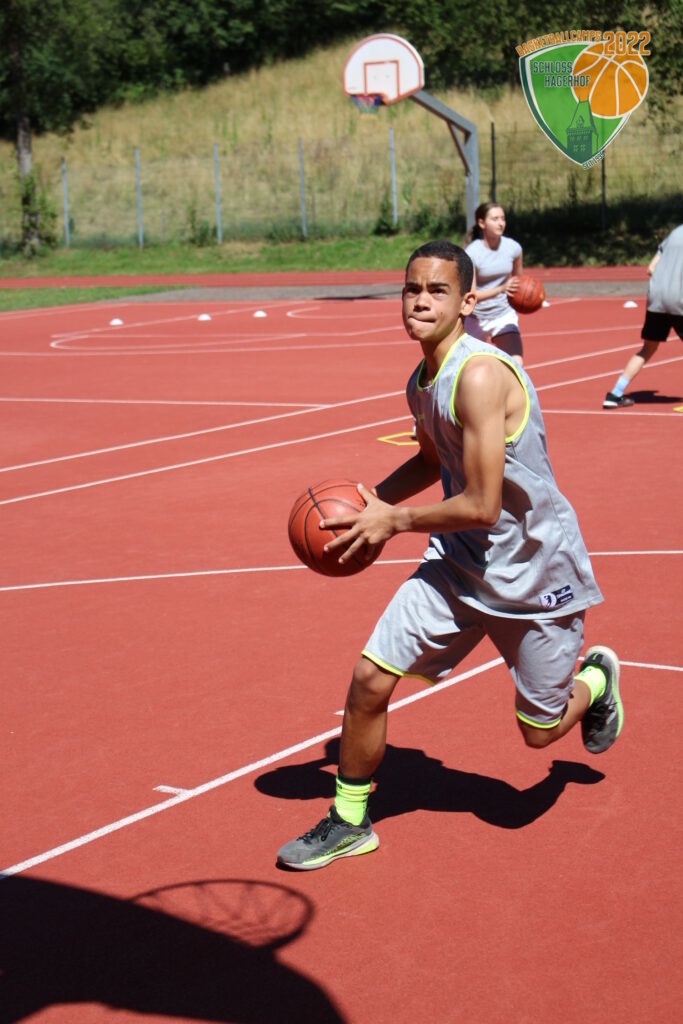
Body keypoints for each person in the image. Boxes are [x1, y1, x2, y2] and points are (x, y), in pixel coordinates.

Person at [277, 239, 623, 872]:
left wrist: (393, 520)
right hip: (459, 565)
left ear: (466, 302)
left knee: (538, 735)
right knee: (369, 681)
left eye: (437, 290)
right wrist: (371, 504)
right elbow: (432, 460)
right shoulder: (422, 382)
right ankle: (349, 821)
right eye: (412, 289)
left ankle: (596, 680)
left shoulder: (480, 375)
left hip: (534, 572)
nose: (420, 301)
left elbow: (484, 504)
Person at [603, 224, 683, 408]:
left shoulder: (674, 234)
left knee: (647, 349)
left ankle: (615, 394)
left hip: (657, 297)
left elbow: (651, 268)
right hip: (678, 298)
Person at [464, 202, 525, 365]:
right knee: (468, 369)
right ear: (482, 223)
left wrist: (529, 298)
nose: (500, 223)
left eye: (503, 218)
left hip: (502, 315)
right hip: (476, 318)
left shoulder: (513, 248)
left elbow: (520, 283)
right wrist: (501, 289)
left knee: (516, 364)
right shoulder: (471, 253)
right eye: (495, 219)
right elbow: (471, 296)